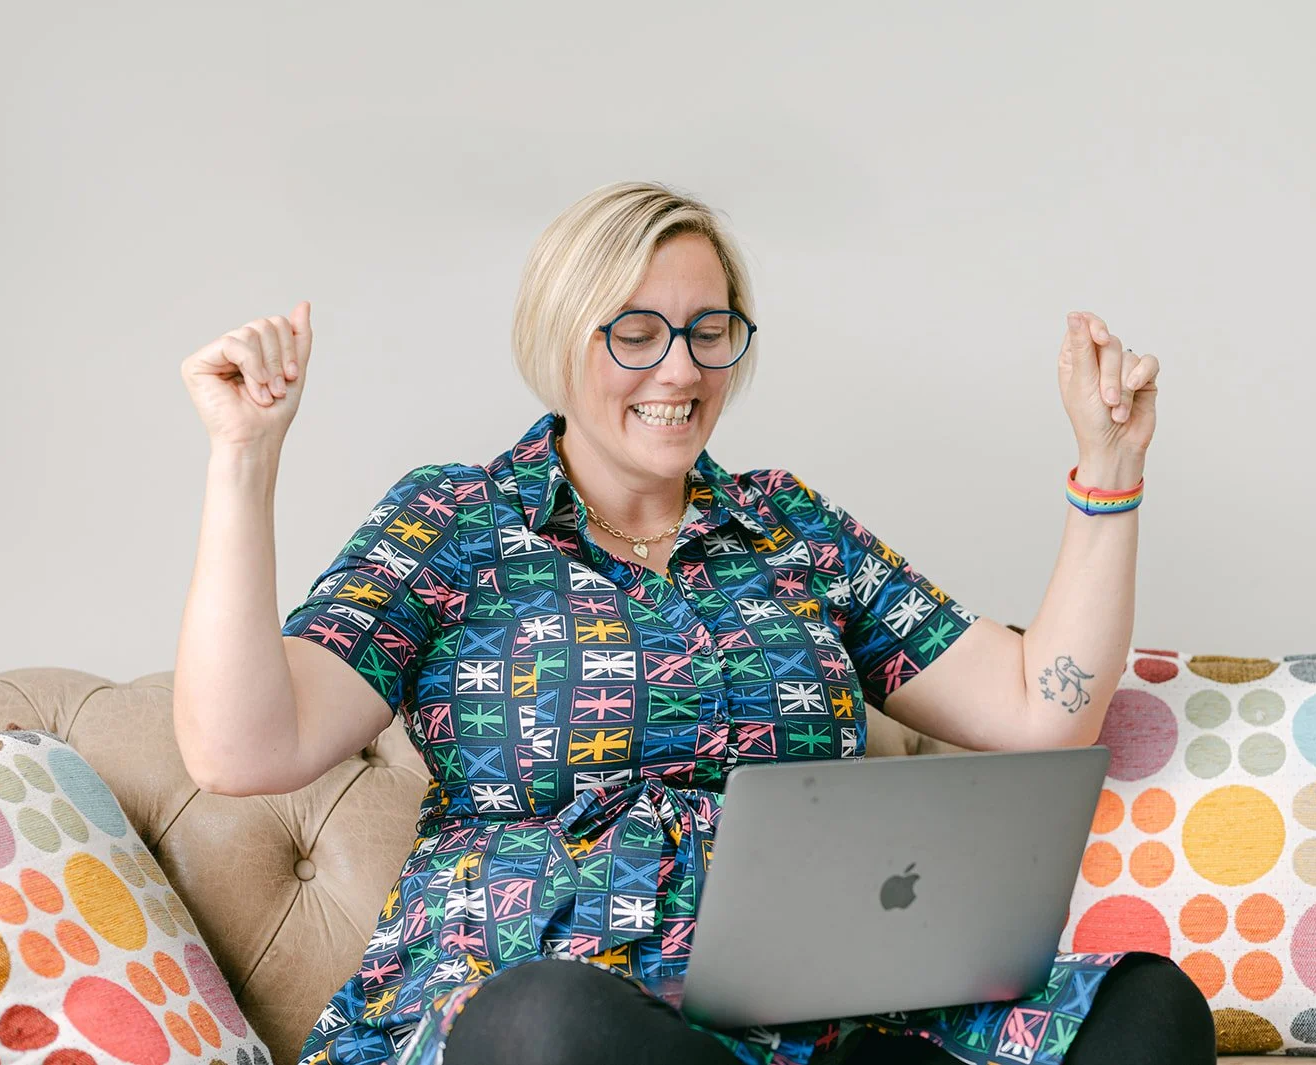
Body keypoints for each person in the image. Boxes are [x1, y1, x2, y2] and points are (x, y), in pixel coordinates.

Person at [174, 181, 1212, 1065]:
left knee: (1144, 1004)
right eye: (635, 331)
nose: (679, 370)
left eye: (708, 331)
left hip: (816, 1001)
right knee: (551, 1023)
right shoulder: (455, 521)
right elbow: (239, 748)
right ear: (558, 336)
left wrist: (1109, 475)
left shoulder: (787, 526)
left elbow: (1042, 710)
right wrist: (244, 457)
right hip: (557, 1005)